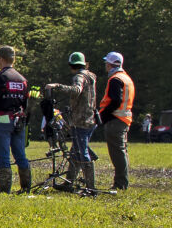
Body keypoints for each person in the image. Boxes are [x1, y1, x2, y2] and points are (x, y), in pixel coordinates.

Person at [43, 52, 99, 192]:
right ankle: (69, 182)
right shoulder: (90, 76)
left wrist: (57, 86)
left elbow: (76, 90)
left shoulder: (79, 77)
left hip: (80, 121)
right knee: (75, 152)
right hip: (91, 118)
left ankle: (91, 187)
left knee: (82, 151)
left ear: (71, 65)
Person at [0, 45, 34, 193]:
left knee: (3, 155)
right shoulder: (22, 80)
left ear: (1, 59)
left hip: (3, 119)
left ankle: (5, 188)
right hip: (19, 119)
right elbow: (26, 102)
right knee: (20, 154)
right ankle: (26, 186)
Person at [99, 51, 135, 192]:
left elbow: (115, 101)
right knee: (122, 152)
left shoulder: (115, 79)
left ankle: (120, 184)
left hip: (115, 120)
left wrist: (103, 117)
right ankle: (122, 182)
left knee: (117, 153)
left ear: (110, 64)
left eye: (106, 63)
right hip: (124, 118)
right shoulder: (126, 78)